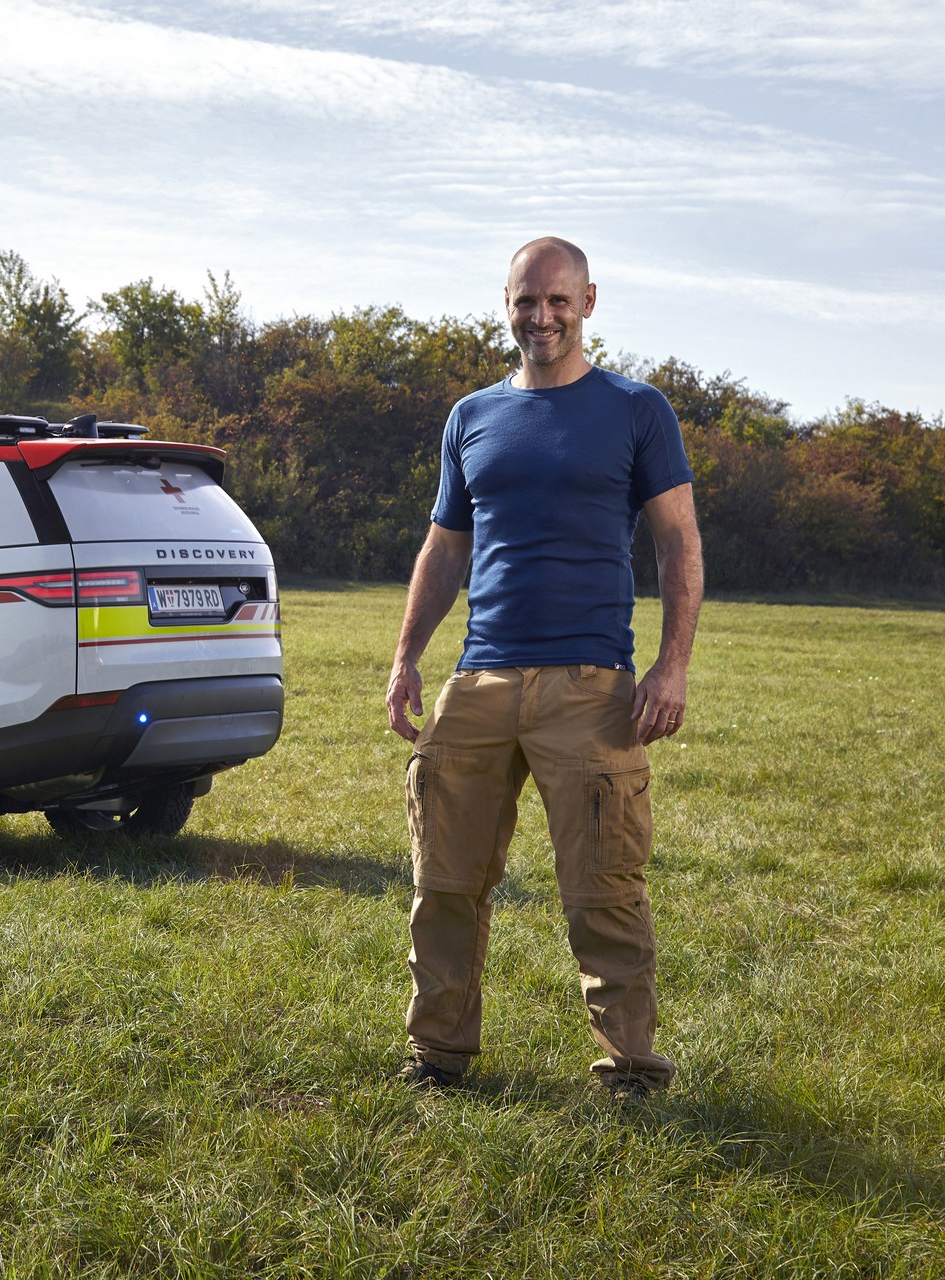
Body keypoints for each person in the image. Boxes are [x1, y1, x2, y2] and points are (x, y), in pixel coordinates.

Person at [385, 236, 703, 1102]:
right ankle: (438, 1056)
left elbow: (678, 539)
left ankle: (629, 1070)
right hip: (480, 680)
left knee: (604, 891)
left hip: (590, 687)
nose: (542, 316)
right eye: (527, 300)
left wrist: (671, 666)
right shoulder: (471, 417)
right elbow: (444, 550)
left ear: (588, 302)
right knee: (444, 884)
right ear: (506, 304)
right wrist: (407, 658)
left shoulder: (636, 410)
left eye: (559, 300)